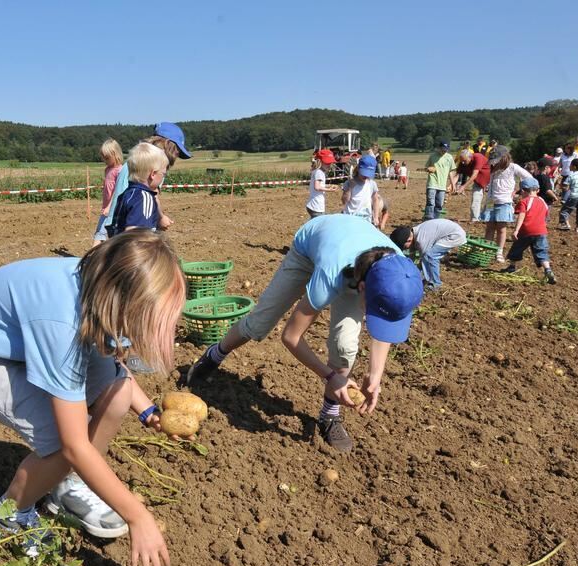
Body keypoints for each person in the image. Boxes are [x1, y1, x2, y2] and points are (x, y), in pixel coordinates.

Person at [0, 231, 184, 566]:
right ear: (121, 299)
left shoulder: (97, 283)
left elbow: (118, 373)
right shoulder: (61, 324)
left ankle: (67, 485)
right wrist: (138, 516)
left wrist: (148, 412)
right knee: (63, 441)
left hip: (21, 339)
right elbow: (74, 445)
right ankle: (10, 515)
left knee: (119, 392)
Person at [185, 214, 424, 452]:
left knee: (345, 347)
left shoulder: (399, 274)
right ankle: (215, 354)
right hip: (311, 248)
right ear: (362, 289)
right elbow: (291, 337)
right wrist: (331, 377)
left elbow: (386, 320)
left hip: (358, 261)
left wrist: (375, 375)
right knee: (258, 325)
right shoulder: (333, 272)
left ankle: (329, 415)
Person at [104, 123, 191, 234]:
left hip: (116, 225)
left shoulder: (137, 161)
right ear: (170, 145)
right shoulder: (156, 167)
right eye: (177, 151)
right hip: (133, 227)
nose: (176, 156)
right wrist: (161, 218)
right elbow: (136, 234)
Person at [107, 143, 169, 237]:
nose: (163, 177)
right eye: (163, 174)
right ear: (153, 174)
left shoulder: (127, 194)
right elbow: (135, 235)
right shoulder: (144, 198)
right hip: (132, 250)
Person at [483, 145, 531, 261]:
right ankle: (486, 249)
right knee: (489, 227)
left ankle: (498, 252)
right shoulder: (493, 168)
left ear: (504, 157)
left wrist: (519, 191)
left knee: (501, 228)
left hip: (504, 202)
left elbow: (528, 177)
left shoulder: (513, 167)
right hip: (491, 201)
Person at [389, 219, 467, 290]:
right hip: (448, 232)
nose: (405, 249)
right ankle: (427, 280)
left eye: (403, 247)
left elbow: (425, 260)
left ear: (409, 240)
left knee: (430, 256)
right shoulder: (414, 233)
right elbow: (412, 258)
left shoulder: (421, 240)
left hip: (455, 235)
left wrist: (416, 278)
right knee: (427, 258)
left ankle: (435, 284)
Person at [504, 178, 556, 283]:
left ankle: (511, 267)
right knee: (541, 251)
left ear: (523, 191)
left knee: (517, 247)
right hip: (541, 231)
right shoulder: (543, 201)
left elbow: (521, 216)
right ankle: (548, 270)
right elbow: (546, 216)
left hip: (526, 231)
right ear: (537, 190)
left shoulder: (524, 201)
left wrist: (516, 230)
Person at [92, 139, 124, 246]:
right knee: (105, 234)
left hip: (113, 209)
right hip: (107, 208)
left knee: (100, 233)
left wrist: (109, 207)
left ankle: (92, 258)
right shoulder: (107, 170)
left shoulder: (120, 171)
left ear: (115, 155)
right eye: (103, 157)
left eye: (107, 158)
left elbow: (116, 191)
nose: (104, 160)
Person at [341, 154, 382, 228]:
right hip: (350, 218)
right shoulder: (349, 183)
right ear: (359, 169)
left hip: (366, 219)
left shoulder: (372, 184)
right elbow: (344, 201)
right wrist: (350, 188)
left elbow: (375, 200)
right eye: (364, 173)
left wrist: (376, 217)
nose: (366, 176)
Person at [420, 141, 456, 220]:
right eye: (443, 149)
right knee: (430, 202)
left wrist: (453, 184)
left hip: (442, 185)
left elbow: (450, 172)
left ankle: (435, 219)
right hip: (432, 183)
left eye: (446, 149)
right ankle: (428, 219)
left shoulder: (449, 158)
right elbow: (426, 167)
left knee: (439, 204)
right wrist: (428, 169)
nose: (444, 151)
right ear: (439, 148)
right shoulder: (432, 156)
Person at [454, 147, 491, 223]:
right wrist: (451, 186)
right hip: (478, 182)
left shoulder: (478, 157)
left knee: (490, 201)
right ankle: (475, 219)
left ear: (470, 157)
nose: (463, 163)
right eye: (461, 161)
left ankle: (486, 218)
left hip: (490, 180)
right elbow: (457, 175)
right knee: (475, 199)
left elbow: (474, 174)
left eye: (464, 161)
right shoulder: (462, 162)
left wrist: (463, 187)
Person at [558, 158, 578, 232]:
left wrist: (560, 184)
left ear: (574, 167)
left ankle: (566, 224)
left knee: (564, 211)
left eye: (570, 165)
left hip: (574, 195)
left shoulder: (571, 175)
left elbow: (565, 187)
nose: (569, 167)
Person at [306, 149, 339, 217]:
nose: (329, 165)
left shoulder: (316, 171)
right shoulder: (320, 173)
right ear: (321, 161)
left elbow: (319, 185)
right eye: (327, 163)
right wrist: (330, 190)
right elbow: (317, 187)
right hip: (317, 206)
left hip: (313, 205)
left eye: (330, 163)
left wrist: (329, 186)